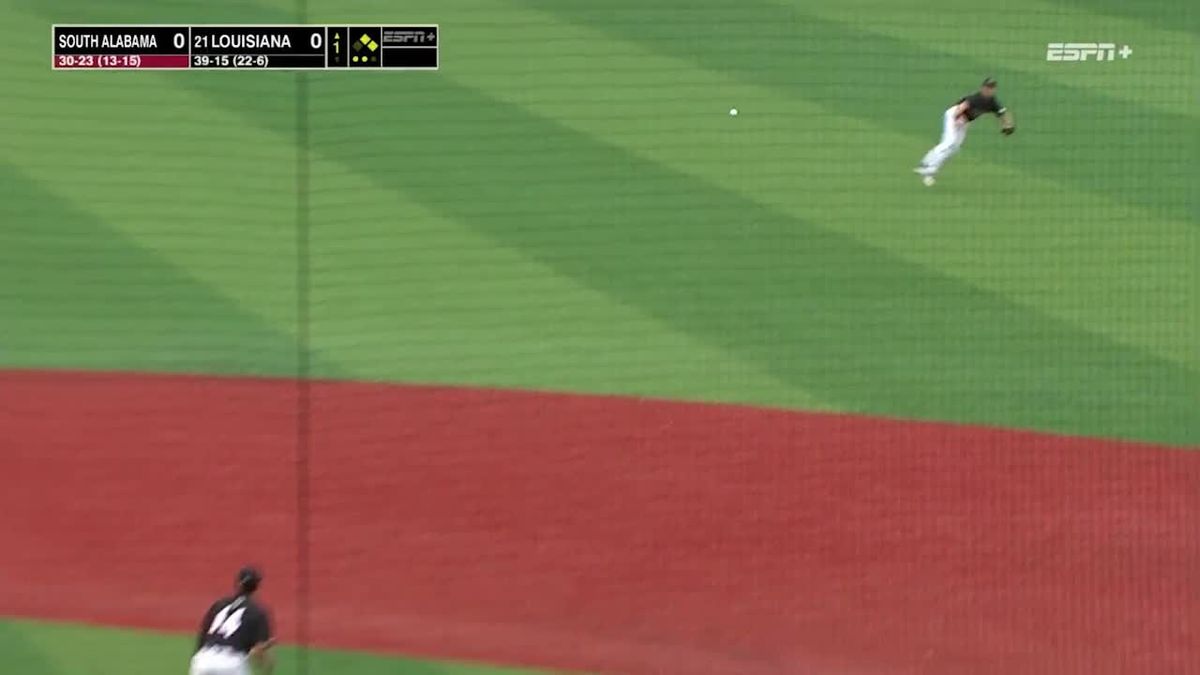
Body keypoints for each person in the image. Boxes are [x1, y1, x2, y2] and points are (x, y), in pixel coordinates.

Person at [914, 77, 1015, 185]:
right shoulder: (976, 98)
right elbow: (962, 107)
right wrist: (957, 118)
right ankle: (927, 165)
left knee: (954, 148)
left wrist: (1007, 125)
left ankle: (928, 166)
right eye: (987, 87)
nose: (989, 90)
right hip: (953, 115)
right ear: (983, 88)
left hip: (964, 121)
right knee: (949, 142)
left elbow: (1002, 114)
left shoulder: (993, 102)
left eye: (992, 88)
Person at [190, 566, 275, 675]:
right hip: (232, 664)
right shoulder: (258, 611)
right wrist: (267, 666)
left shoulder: (218, 605)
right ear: (256, 587)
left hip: (203, 661)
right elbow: (259, 649)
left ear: (238, 583)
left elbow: (202, 636)